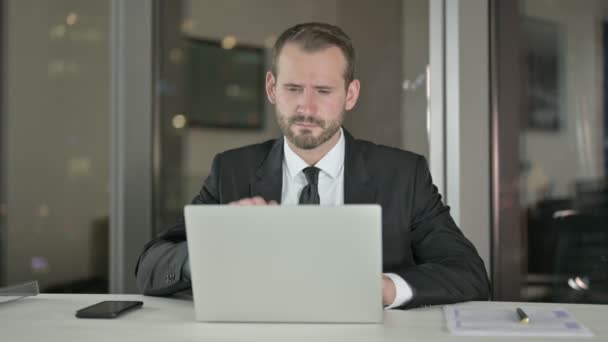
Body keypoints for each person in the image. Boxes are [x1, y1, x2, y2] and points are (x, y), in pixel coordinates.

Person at [135, 22, 490, 309]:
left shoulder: (403, 175)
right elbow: (151, 266)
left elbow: (469, 274)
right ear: (272, 88)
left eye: (323, 91)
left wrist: (385, 289)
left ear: (350, 95)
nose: (306, 108)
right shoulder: (232, 170)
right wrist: (215, 247)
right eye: (292, 88)